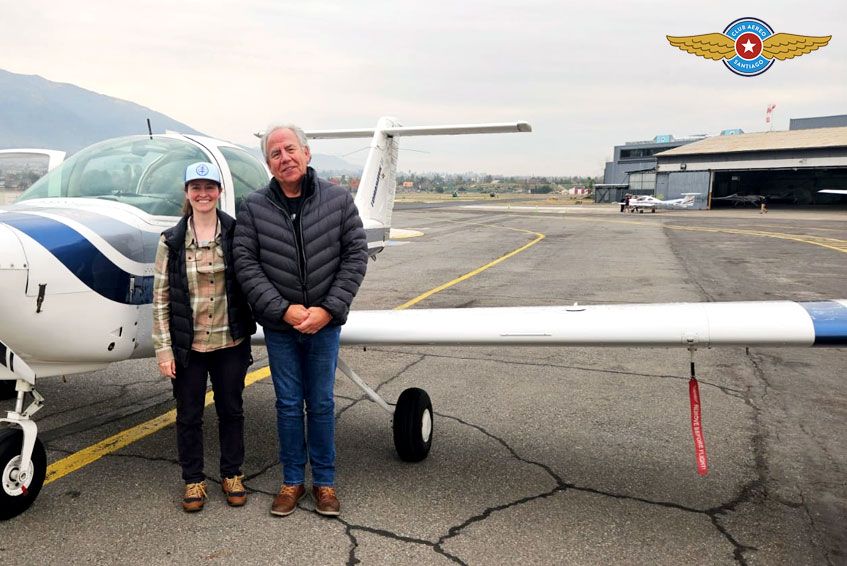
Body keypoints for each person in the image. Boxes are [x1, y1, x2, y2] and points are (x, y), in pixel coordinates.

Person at [233, 124, 368, 518]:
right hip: (281, 327)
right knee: (289, 404)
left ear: (307, 154)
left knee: (322, 403)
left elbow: (355, 256)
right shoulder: (254, 207)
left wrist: (327, 310)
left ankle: (324, 483)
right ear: (268, 163)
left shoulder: (339, 200)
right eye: (275, 154)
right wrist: (281, 310)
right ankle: (292, 481)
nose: (284, 158)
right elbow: (246, 264)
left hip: (325, 325)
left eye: (290, 149)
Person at [153, 162, 256, 512]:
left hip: (231, 342)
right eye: (195, 187)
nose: (203, 193)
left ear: (219, 192)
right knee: (189, 415)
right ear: (186, 193)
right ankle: (194, 480)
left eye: (209, 187)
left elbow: (253, 279)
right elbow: (161, 297)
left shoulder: (237, 233)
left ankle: (232, 474)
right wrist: (164, 349)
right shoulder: (171, 241)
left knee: (232, 410)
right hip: (188, 347)